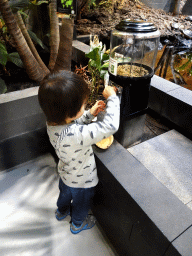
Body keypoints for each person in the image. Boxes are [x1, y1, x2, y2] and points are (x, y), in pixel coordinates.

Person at [38, 70, 120, 234]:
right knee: (81, 204)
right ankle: (77, 224)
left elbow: (72, 123)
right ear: (69, 113)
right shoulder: (76, 136)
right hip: (83, 182)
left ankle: (61, 212)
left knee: (64, 196)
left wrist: (89, 114)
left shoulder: (53, 123)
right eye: (84, 105)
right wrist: (112, 98)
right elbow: (110, 127)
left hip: (65, 174)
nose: (85, 106)